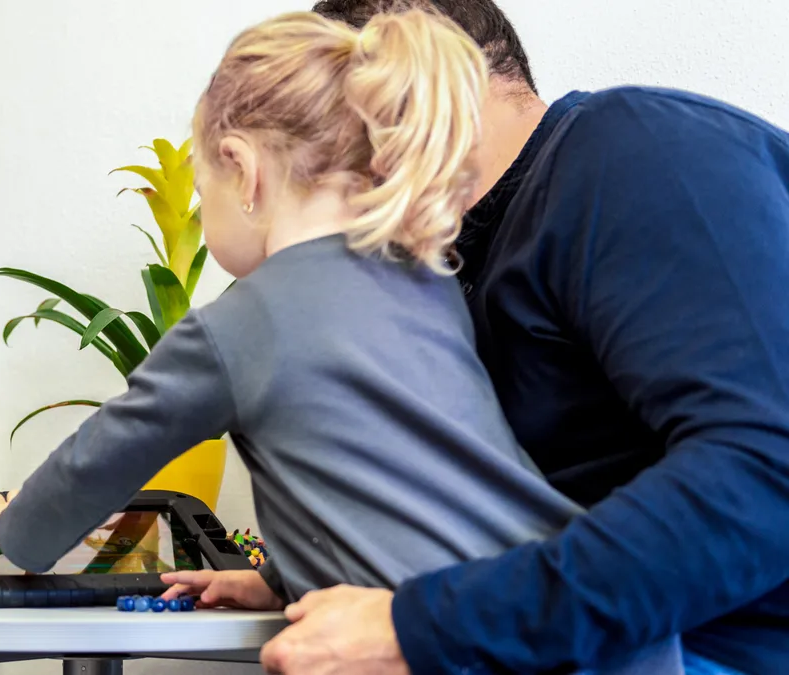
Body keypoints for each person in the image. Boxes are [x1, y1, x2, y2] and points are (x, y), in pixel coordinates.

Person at [0, 9, 680, 674]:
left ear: (242, 169)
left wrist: (17, 530)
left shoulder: (241, 322)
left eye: (203, 178)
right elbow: (408, 476)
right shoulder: (424, 280)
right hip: (583, 631)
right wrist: (274, 576)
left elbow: (101, 457)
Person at [253, 1, 789, 674]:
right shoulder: (457, 260)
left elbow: (768, 468)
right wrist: (286, 574)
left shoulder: (633, 153)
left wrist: (417, 628)